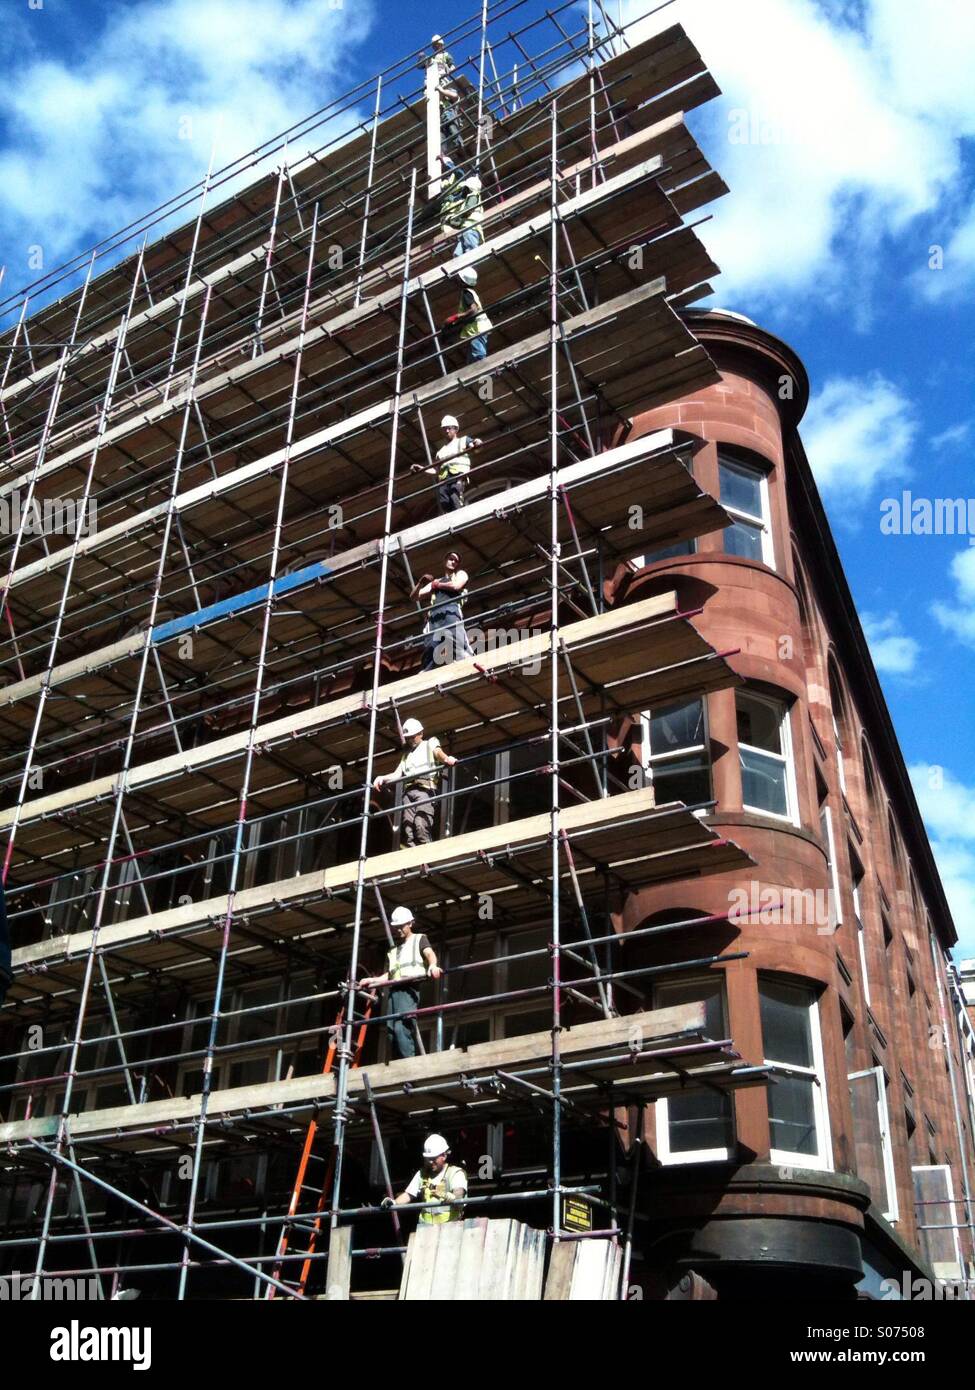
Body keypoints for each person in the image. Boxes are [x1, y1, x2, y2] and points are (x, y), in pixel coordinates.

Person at [359, 905, 441, 1060]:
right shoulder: (394, 950)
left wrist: (433, 965)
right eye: (396, 927)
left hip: (408, 988)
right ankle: (400, 1063)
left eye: (401, 926)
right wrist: (372, 980)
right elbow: (390, 975)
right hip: (395, 990)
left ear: (410, 923)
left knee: (401, 1026)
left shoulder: (419, 939)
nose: (398, 930)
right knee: (390, 1029)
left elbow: (429, 953)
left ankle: (409, 1062)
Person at [373, 716, 457, 848]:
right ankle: (413, 859)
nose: (410, 740)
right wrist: (382, 777)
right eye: (408, 738)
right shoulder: (407, 755)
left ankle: (427, 857)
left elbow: (438, 752)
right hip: (408, 793)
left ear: (420, 734)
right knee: (408, 829)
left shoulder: (429, 743)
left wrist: (447, 759)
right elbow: (397, 774)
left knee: (421, 824)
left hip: (424, 789)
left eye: (412, 736)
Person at [383, 1133, 468, 1224]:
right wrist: (393, 1203)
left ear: (444, 1155)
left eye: (433, 1158)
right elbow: (408, 1195)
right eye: (428, 1158)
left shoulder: (455, 1173)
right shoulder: (422, 1174)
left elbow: (458, 1197)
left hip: (450, 1227)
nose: (430, 1162)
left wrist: (444, 1195)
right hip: (425, 1230)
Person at [411, 413, 484, 513]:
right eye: (444, 428)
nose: (446, 431)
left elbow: (476, 448)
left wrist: (477, 442)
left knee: (455, 497)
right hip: (444, 480)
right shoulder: (440, 452)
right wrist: (421, 469)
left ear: (455, 429)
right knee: (445, 502)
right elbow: (436, 470)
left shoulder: (463, 440)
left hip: (457, 476)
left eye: (449, 428)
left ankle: (459, 516)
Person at [412, 551, 472, 671]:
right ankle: (426, 671)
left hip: (451, 611)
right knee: (431, 647)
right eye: (451, 559)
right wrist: (420, 582)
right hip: (434, 617)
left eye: (456, 560)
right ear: (445, 561)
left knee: (457, 641)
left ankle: (467, 663)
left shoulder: (460, 574)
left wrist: (436, 585)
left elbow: (456, 586)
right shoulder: (436, 581)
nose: (453, 561)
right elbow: (414, 597)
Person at [442, 267, 492, 364]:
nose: (458, 280)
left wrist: (457, 317)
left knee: (478, 356)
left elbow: (474, 310)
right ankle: (475, 373)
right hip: (480, 327)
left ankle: (483, 371)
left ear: (463, 281)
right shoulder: (471, 292)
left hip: (476, 329)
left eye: (459, 279)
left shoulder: (466, 293)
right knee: (471, 360)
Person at [439, 155, 484, 258]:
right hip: (462, 226)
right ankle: (461, 265)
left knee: (469, 246)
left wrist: (447, 161)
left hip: (470, 227)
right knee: (458, 253)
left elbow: (468, 210)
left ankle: (471, 260)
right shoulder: (451, 194)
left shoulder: (472, 195)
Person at [426, 35, 463, 154]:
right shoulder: (433, 58)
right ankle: (441, 153)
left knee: (450, 124)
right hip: (440, 109)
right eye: (435, 45)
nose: (437, 47)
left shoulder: (445, 55)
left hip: (447, 109)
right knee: (440, 131)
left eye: (438, 44)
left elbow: (452, 66)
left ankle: (458, 142)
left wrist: (448, 72)